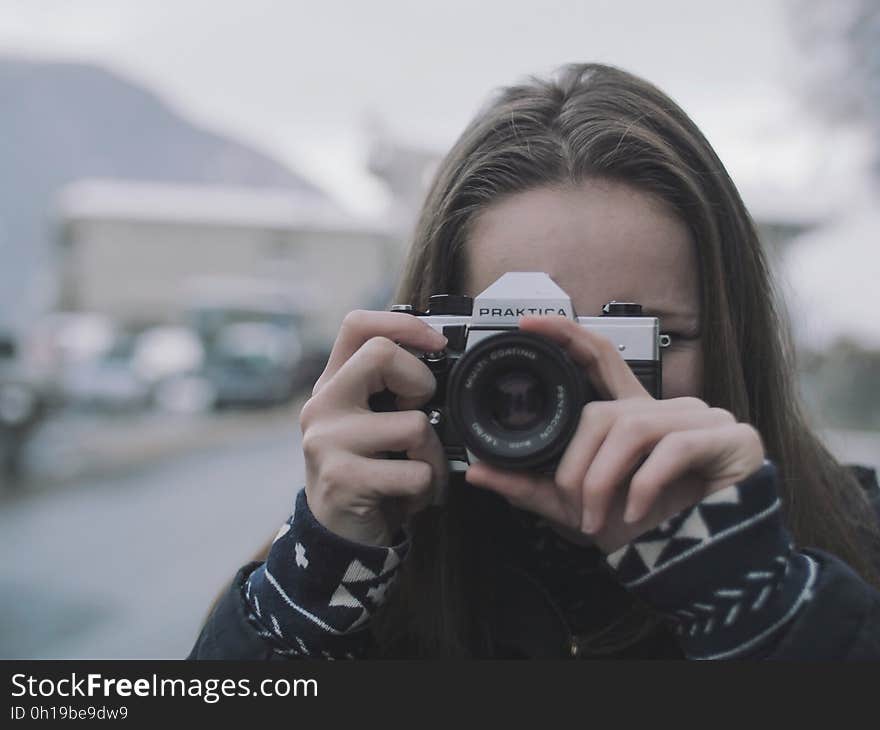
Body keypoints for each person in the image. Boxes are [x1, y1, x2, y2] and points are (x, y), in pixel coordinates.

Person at [188, 63, 880, 660]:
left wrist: (770, 612)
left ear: (735, 337)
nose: (571, 389)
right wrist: (315, 587)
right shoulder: (340, 574)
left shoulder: (859, 537)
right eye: (518, 349)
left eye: (643, 340)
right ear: (427, 344)